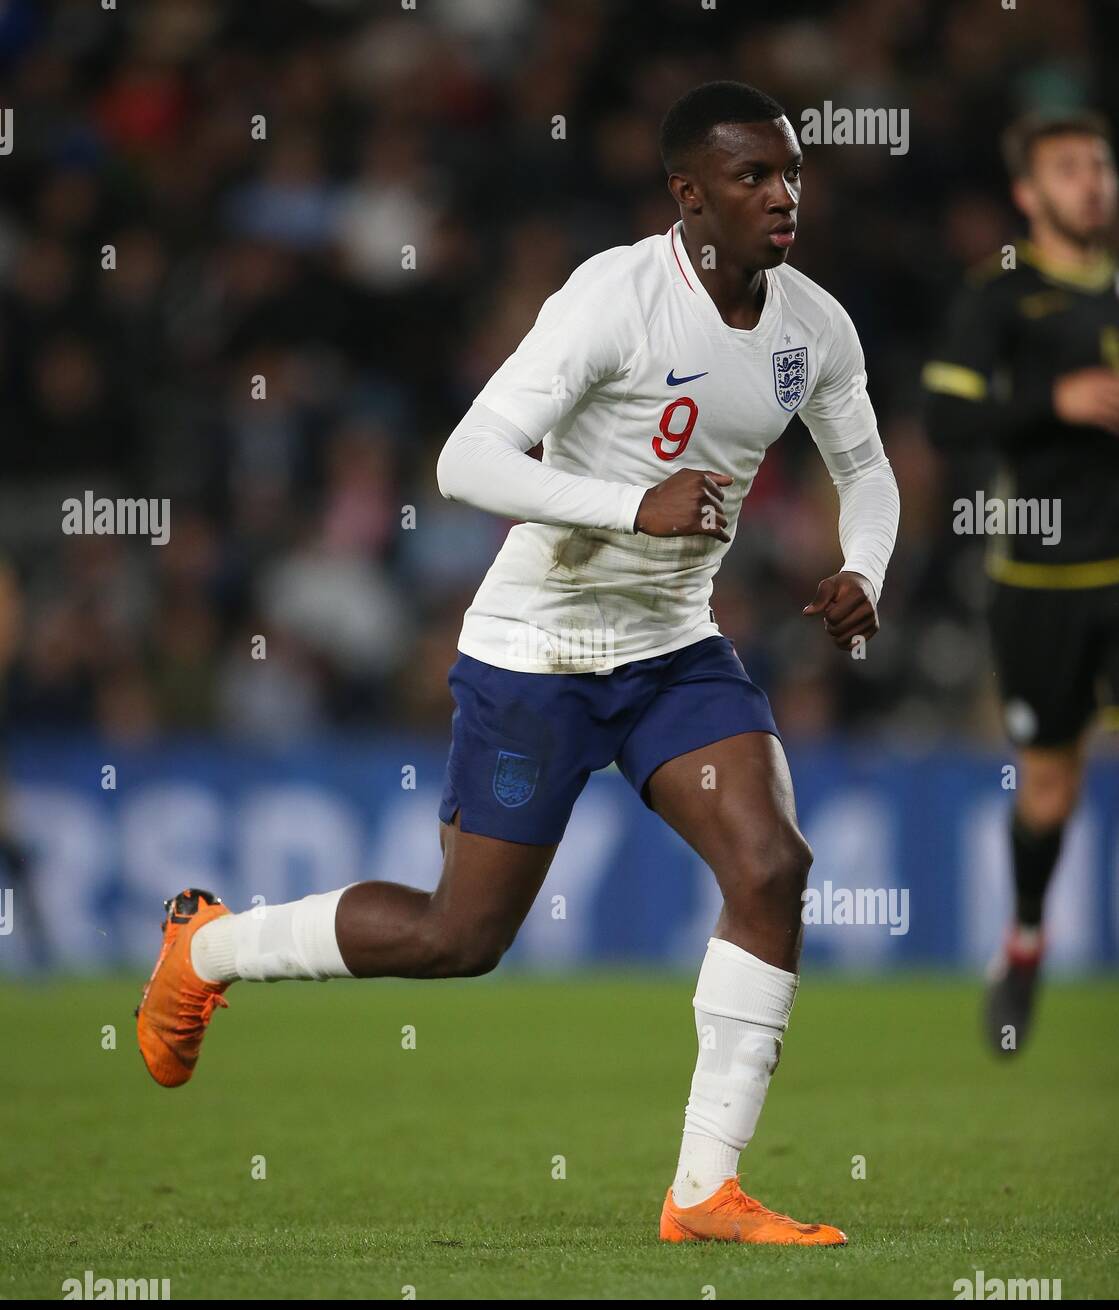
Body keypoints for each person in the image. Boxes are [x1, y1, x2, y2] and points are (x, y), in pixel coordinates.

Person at [137, 81, 899, 1245]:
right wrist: (631, 507)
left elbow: (870, 469)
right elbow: (465, 460)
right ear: (688, 195)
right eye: (753, 177)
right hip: (536, 646)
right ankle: (209, 945)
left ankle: (702, 1191)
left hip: (672, 648)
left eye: (792, 172)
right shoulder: (613, 299)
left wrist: (867, 571)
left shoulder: (815, 326)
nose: (784, 196)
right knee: (461, 938)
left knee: (772, 867)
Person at [924, 110, 1119, 1057]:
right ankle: (1027, 943)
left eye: (1099, 165)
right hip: (1039, 578)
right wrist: (1053, 402)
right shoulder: (1000, 294)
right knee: (1049, 786)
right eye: (1068, 169)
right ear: (1027, 195)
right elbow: (944, 419)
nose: (1091, 183)